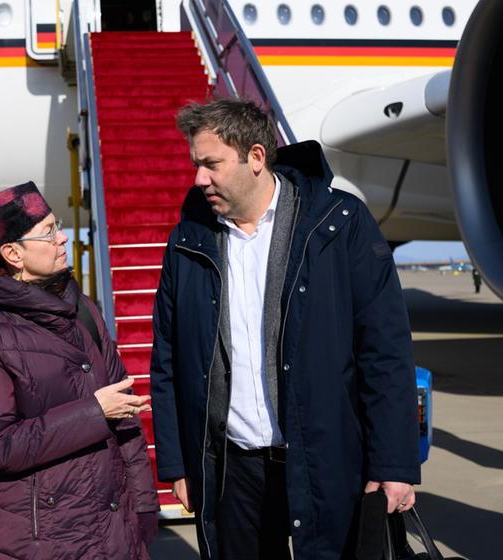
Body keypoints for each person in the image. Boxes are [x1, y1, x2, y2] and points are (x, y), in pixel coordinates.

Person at [149, 98, 420, 559]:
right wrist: (178, 464)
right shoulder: (188, 239)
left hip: (325, 456)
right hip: (232, 468)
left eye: (211, 164)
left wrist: (394, 462)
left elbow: (385, 351)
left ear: (256, 157)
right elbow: (168, 359)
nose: (199, 179)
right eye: (196, 164)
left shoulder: (339, 223)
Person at [0, 181, 159, 559]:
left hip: (117, 528)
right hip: (45, 537)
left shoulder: (84, 310)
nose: (63, 237)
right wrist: (95, 412)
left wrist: (144, 505)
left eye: (56, 224)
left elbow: (125, 415)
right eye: (47, 232)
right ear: (13, 253)